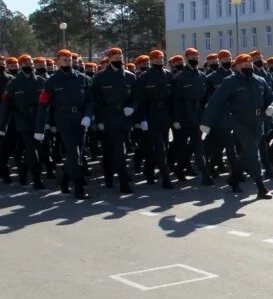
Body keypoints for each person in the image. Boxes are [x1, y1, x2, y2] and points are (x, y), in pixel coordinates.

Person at [201, 53, 273, 199]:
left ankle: (234, 179)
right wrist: (206, 123)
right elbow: (215, 103)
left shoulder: (259, 80)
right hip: (241, 123)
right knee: (253, 153)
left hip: (258, 122)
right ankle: (261, 187)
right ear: (238, 66)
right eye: (245, 65)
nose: (249, 67)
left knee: (246, 153)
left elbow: (271, 97)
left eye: (250, 64)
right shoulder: (230, 82)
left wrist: (272, 107)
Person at [35, 50, 94, 199]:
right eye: (65, 60)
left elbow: (90, 100)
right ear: (58, 62)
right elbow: (43, 105)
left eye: (70, 60)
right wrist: (40, 128)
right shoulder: (52, 81)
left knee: (78, 155)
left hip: (81, 120)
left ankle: (65, 180)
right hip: (64, 120)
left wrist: (88, 115)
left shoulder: (82, 78)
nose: (68, 62)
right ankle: (79, 188)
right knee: (74, 154)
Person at [91, 47, 138, 193]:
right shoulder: (100, 77)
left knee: (119, 151)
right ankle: (113, 178)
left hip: (124, 118)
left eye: (120, 58)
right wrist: (98, 121)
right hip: (108, 117)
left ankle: (118, 179)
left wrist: (132, 107)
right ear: (109, 58)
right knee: (110, 151)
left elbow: (136, 97)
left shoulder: (130, 76)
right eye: (116, 58)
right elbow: (94, 100)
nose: (119, 60)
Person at [0, 54, 45, 189]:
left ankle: (23, 172)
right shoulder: (13, 83)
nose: (28, 66)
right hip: (22, 120)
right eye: (25, 64)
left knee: (36, 149)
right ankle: (36, 179)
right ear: (21, 66)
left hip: (38, 119)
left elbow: (49, 104)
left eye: (30, 63)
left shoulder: (41, 81)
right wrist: (2, 125)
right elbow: (5, 105)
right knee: (31, 148)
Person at [172, 47, 213, 185]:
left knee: (197, 146)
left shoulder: (201, 75)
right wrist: (176, 119)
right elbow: (175, 100)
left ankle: (205, 175)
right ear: (186, 58)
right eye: (191, 56)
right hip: (185, 114)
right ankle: (177, 168)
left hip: (198, 114)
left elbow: (205, 95)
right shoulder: (180, 76)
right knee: (184, 146)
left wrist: (207, 107)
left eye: (196, 56)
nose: (194, 59)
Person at [134, 49, 175, 188]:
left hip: (165, 116)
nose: (159, 62)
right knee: (160, 148)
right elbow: (140, 100)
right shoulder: (144, 77)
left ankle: (148, 170)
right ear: (151, 61)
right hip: (151, 115)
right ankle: (166, 179)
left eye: (161, 59)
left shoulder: (168, 75)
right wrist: (142, 119)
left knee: (163, 147)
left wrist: (174, 117)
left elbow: (172, 99)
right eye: (156, 60)